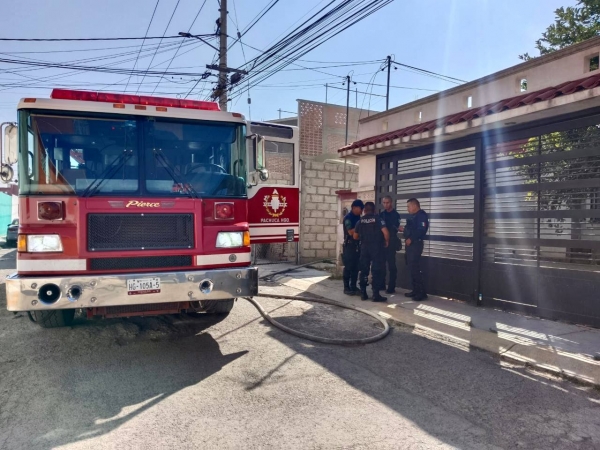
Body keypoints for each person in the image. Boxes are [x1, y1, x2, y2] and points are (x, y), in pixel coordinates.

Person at [353, 201, 390, 302]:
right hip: (376, 248)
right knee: (376, 271)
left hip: (364, 248)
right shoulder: (378, 219)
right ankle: (375, 295)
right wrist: (386, 241)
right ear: (374, 210)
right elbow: (386, 232)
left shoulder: (360, 221)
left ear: (364, 210)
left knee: (364, 271)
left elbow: (355, 236)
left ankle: (363, 293)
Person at [400, 198, 429, 301]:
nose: (407, 209)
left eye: (408, 206)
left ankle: (421, 293)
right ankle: (416, 290)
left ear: (414, 206)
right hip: (410, 246)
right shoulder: (413, 217)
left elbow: (421, 231)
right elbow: (411, 230)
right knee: (412, 269)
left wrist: (411, 238)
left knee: (415, 269)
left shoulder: (421, 216)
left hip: (416, 245)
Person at [380, 195, 401, 294]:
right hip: (382, 243)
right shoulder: (381, 214)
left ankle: (391, 287)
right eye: (384, 203)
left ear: (391, 203)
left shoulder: (395, 215)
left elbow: (395, 228)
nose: (385, 204)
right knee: (381, 264)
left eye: (387, 202)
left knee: (391, 265)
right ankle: (382, 284)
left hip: (391, 242)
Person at [342, 199, 364, 296]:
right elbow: (350, 232)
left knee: (356, 267)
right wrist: (360, 226)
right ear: (354, 208)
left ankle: (354, 286)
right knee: (348, 267)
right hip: (349, 245)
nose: (361, 211)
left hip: (358, 245)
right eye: (360, 209)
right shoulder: (348, 218)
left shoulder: (359, 217)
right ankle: (346, 287)